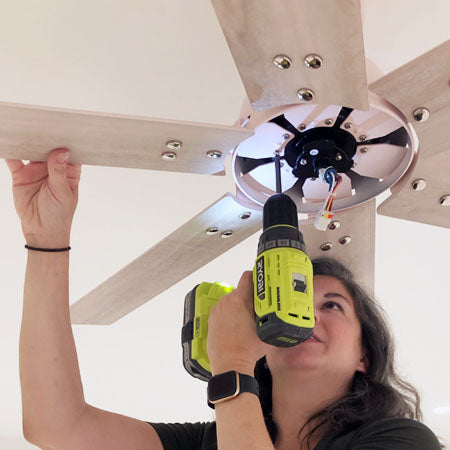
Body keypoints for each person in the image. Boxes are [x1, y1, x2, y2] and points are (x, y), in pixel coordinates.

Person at [5, 148, 442, 450]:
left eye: (331, 304)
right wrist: (47, 242)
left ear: (364, 354)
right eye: (302, 298)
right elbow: (55, 424)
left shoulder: (402, 440)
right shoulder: (210, 442)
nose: (306, 309)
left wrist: (232, 365)